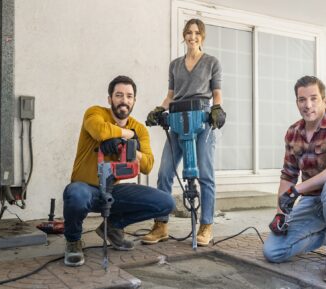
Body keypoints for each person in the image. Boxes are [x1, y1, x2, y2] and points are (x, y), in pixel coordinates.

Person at [263, 76, 326, 284]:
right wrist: (280, 214)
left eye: (313, 98)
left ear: (324, 101)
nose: (307, 105)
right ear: (297, 102)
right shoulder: (293, 133)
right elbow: (288, 175)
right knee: (273, 252)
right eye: (302, 100)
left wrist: (298, 190)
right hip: (313, 202)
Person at [63, 75, 175, 267]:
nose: (124, 100)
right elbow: (100, 131)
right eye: (119, 95)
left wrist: (130, 148)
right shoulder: (95, 113)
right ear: (110, 99)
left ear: (134, 101)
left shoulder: (140, 128)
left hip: (112, 190)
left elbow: (148, 165)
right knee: (76, 194)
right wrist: (128, 134)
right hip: (86, 188)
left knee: (166, 202)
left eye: (129, 96)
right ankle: (73, 241)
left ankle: (113, 227)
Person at [144, 18, 226, 246]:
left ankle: (206, 226)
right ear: (184, 35)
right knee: (164, 173)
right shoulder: (175, 65)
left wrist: (217, 109)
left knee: (205, 175)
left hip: (201, 120)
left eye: (197, 32)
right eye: (189, 32)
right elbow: (170, 95)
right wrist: (159, 110)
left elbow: (216, 93)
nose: (192, 36)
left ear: (202, 36)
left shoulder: (212, 62)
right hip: (177, 120)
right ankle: (160, 225)